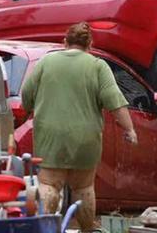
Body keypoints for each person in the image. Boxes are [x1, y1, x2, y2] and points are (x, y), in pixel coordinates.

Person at [21, 22, 137, 232]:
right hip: (86, 139)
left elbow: (26, 95)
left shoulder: (46, 62)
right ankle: (86, 230)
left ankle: (45, 228)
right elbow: (115, 100)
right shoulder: (97, 66)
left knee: (49, 185)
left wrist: (29, 108)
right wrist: (129, 130)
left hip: (50, 137)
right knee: (83, 188)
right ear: (90, 44)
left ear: (64, 42)